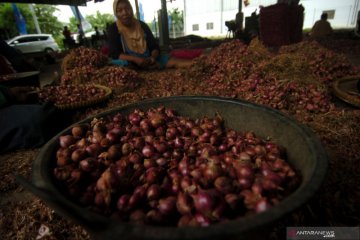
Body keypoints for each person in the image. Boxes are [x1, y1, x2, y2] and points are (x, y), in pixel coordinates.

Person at [108, 0, 192, 69]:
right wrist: (135, 59)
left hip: (148, 59)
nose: (125, 13)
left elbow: (154, 46)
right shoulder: (114, 28)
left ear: (132, 9)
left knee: (170, 59)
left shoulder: (142, 25)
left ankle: (197, 64)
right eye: (120, 10)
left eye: (128, 8)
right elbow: (115, 53)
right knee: (117, 65)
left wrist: (153, 57)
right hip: (130, 61)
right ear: (116, 13)